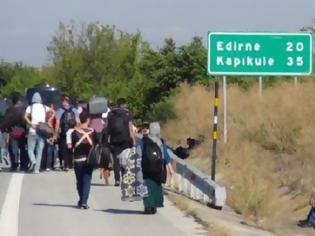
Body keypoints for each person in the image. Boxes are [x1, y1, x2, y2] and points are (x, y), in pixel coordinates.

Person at [137, 122, 174, 214]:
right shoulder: (160, 141)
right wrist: (170, 167)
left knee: (147, 187)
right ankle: (154, 207)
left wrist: (137, 168)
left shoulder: (143, 141)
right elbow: (165, 155)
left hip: (146, 169)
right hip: (158, 170)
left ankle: (147, 207)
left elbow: (138, 154)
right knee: (156, 188)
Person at [68, 110, 96, 209]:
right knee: (87, 180)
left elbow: (71, 147)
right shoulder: (93, 132)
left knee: (79, 181)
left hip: (77, 159)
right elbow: (96, 144)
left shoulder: (74, 132)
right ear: (88, 120)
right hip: (89, 159)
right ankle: (84, 202)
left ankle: (81, 200)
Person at [107, 98, 136, 186]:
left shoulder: (110, 114)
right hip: (125, 139)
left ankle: (117, 180)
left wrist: (108, 138)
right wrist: (134, 140)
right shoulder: (127, 114)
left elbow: (107, 128)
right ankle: (124, 178)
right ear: (125, 104)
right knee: (125, 158)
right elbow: (130, 129)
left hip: (114, 139)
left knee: (116, 160)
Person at [25, 93, 55, 173]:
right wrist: (48, 120)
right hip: (42, 131)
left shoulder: (30, 107)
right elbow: (53, 112)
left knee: (30, 149)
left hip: (33, 130)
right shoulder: (44, 107)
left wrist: (31, 123)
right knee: (40, 151)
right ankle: (37, 169)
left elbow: (25, 116)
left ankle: (33, 160)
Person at [0, 95, 27, 171]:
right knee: (23, 149)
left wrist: (3, 129)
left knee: (13, 150)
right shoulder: (24, 110)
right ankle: (23, 165)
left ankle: (14, 165)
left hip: (13, 132)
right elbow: (26, 121)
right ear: (18, 101)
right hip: (22, 132)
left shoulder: (9, 110)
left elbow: (5, 121)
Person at [54, 95, 79, 171]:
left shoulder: (60, 110)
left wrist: (55, 134)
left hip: (64, 132)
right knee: (72, 148)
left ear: (63, 101)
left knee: (64, 149)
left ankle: (66, 165)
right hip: (73, 132)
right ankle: (71, 164)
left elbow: (57, 123)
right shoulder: (75, 110)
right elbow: (78, 122)